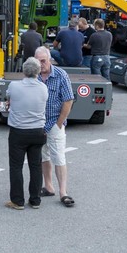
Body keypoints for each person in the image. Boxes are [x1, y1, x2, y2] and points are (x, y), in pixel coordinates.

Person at [5, 57, 47, 210]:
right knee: (36, 166)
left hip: (19, 131)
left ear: (23, 70)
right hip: (38, 131)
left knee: (16, 166)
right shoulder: (43, 88)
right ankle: (35, 200)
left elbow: (9, 97)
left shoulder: (14, 86)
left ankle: (18, 201)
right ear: (38, 71)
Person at [36, 47, 75, 207]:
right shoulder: (34, 75)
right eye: (37, 61)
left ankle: (63, 192)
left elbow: (68, 100)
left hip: (54, 122)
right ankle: (49, 186)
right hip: (38, 123)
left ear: (50, 59)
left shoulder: (60, 75)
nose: (40, 64)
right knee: (43, 156)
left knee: (58, 156)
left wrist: (60, 122)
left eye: (43, 61)